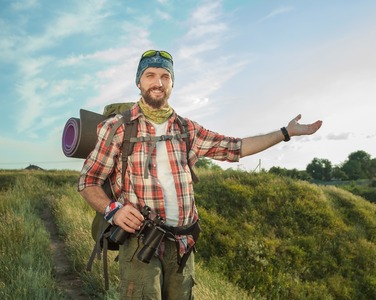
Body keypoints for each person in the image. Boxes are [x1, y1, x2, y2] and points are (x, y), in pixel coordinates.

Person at [78, 49, 322, 299]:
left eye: (165, 76)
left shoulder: (187, 129)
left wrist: (285, 133)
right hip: (139, 242)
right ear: (138, 82)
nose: (158, 82)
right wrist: (114, 210)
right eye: (150, 75)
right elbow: (88, 181)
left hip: (183, 245)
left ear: (172, 83)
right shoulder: (117, 128)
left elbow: (236, 147)